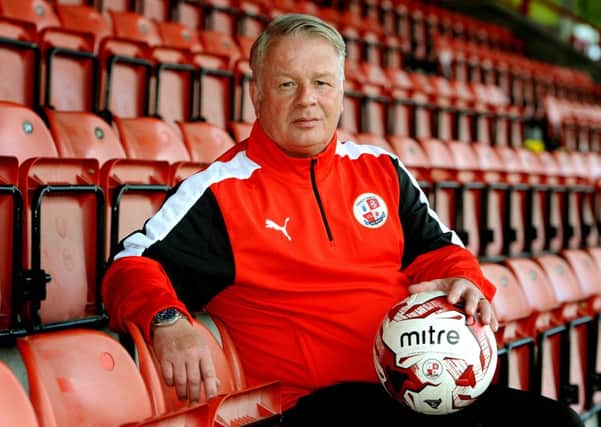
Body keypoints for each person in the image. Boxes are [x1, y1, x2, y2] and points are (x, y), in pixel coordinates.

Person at [101, 13, 583, 427]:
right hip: (320, 405)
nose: (307, 99)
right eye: (287, 84)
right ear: (256, 93)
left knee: (556, 421)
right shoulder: (222, 192)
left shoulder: (382, 170)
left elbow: (440, 252)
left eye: (322, 82)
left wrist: (462, 280)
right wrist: (166, 319)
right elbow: (130, 265)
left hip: (416, 384)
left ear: (342, 90)